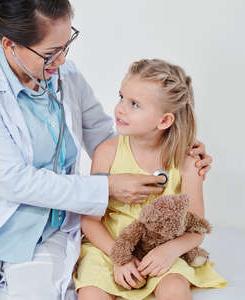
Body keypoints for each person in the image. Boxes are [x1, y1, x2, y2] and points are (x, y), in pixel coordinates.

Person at [0, 1, 212, 300]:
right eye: (50, 52)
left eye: (67, 44)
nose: (63, 60)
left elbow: (102, 134)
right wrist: (106, 186)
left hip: (47, 229)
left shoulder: (66, 75)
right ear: (10, 45)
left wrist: (168, 146)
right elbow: (14, 181)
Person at [74, 59, 227, 300]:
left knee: (175, 289)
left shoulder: (187, 162)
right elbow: (90, 220)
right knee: (91, 294)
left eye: (134, 104)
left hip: (161, 249)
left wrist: (169, 251)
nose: (120, 109)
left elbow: (197, 228)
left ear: (165, 121)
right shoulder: (107, 152)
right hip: (109, 248)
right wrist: (119, 258)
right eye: (121, 97)